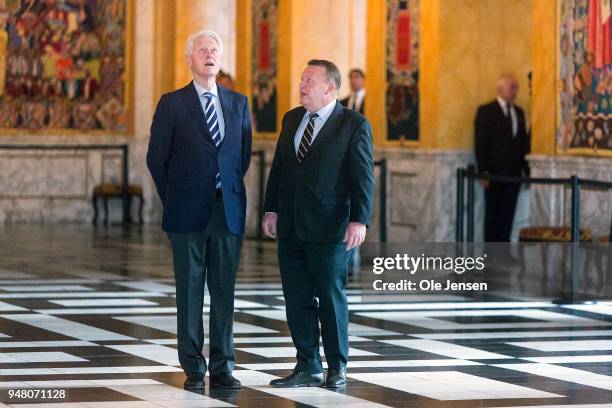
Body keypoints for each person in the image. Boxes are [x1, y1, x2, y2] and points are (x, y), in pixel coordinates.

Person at [147, 29, 252, 391]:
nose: (209, 55)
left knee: (224, 293)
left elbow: (241, 157)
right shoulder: (172, 103)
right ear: (190, 59)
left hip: (228, 213)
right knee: (190, 292)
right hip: (186, 214)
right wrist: (176, 197)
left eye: (215, 50)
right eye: (202, 50)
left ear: (220, 60)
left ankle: (223, 367)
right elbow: (156, 160)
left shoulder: (239, 103)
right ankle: (193, 367)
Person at [262, 59, 374, 388]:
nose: (302, 85)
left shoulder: (353, 124)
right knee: (296, 297)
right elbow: (279, 169)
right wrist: (271, 209)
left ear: (329, 88)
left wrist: (360, 219)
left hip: (331, 227)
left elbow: (363, 176)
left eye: (309, 80)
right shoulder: (292, 118)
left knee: (330, 295)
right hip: (292, 227)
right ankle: (307, 364)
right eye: (301, 79)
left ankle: (337, 366)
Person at [474, 74, 529, 242]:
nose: (515, 92)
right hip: (494, 174)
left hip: (513, 175)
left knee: (508, 214)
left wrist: (526, 170)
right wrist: (483, 171)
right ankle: (491, 254)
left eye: (516, 88)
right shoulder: (486, 111)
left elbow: (522, 144)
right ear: (501, 88)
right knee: (493, 214)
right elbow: (480, 142)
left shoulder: (519, 112)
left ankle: (503, 253)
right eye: (512, 87)